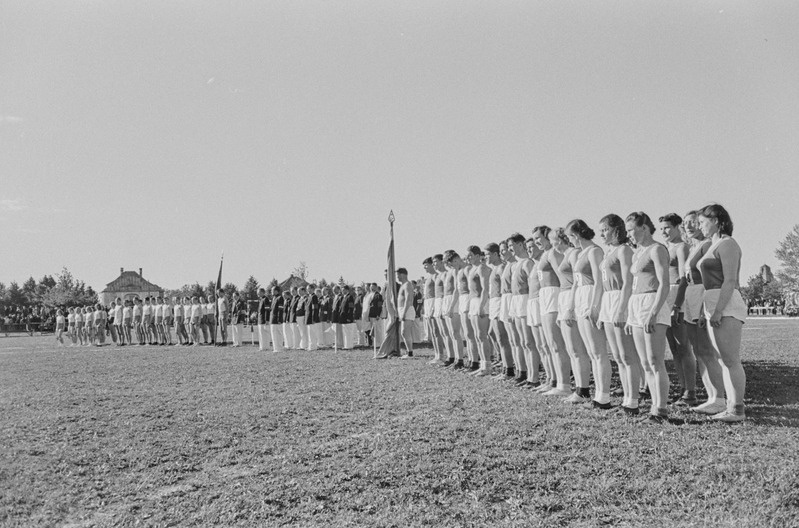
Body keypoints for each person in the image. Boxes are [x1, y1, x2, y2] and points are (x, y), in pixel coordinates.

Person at [696, 204, 747, 422]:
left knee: (730, 359)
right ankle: (730, 406)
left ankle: (737, 409)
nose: (700, 226)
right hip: (712, 301)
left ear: (716, 220)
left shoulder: (727, 244)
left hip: (725, 302)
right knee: (722, 359)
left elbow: (730, 281)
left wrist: (718, 310)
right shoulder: (712, 244)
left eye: (702, 222)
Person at [625, 212, 672, 424]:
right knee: (644, 362)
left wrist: (653, 312)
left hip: (652, 303)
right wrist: (629, 315)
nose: (629, 235)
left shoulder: (657, 249)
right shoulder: (637, 253)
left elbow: (664, 283)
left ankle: (660, 408)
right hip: (636, 304)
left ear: (644, 227)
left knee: (655, 361)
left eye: (631, 229)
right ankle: (653, 404)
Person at [683, 210, 727, 415]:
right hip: (690, 296)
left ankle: (719, 398)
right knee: (698, 350)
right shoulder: (694, 247)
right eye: (687, 224)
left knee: (707, 350)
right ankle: (711, 396)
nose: (690, 227)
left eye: (694, 222)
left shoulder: (708, 245)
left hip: (702, 294)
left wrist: (702, 307)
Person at [598, 214, 643, 415]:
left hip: (619, 299)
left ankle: (632, 401)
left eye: (605, 230)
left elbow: (627, 281)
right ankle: (626, 398)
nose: (602, 234)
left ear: (617, 229)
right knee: (617, 356)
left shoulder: (624, 250)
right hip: (608, 299)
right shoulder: (610, 251)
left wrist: (621, 307)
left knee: (627, 355)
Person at [567, 219, 612, 409]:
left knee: (599, 351)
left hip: (591, 296)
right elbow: (576, 282)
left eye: (570, 237)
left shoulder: (595, 251)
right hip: (581, 298)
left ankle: (603, 397)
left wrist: (595, 306)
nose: (570, 241)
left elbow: (599, 280)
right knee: (591, 352)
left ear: (576, 235)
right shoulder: (581, 253)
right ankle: (596, 393)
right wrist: (570, 306)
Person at [659, 213, 697, 405]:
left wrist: (677, 305)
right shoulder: (665, 248)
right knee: (673, 348)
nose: (664, 232)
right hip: (665, 296)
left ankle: (690, 390)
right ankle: (682, 388)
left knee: (684, 346)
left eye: (667, 227)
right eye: (661, 229)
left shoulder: (682, 247)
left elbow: (683, 278)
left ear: (677, 227)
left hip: (677, 296)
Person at [551, 227, 592, 403]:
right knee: (571, 348)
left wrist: (571, 306)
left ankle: (583, 389)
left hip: (572, 297)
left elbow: (577, 280)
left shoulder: (574, 253)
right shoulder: (567, 255)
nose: (552, 245)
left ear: (559, 240)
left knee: (577, 348)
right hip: (565, 296)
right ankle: (577, 388)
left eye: (553, 241)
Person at [533, 226, 573, 397]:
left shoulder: (552, 253)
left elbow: (562, 274)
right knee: (549, 344)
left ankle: (564, 384)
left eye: (539, 238)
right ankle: (554, 380)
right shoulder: (544, 254)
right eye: (534, 239)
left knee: (557, 344)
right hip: (544, 296)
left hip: (554, 294)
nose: (537, 242)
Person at [508, 233, 541, 388]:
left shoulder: (527, 263)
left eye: (512, 246)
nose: (510, 249)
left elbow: (534, 283)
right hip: (516, 300)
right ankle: (526, 373)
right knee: (522, 341)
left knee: (529, 341)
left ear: (520, 245)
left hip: (525, 299)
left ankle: (533, 377)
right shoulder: (516, 264)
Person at [485, 243, 513, 379]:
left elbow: (506, 286)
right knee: (492, 333)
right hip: (494, 302)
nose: (486, 257)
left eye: (488, 254)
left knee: (502, 337)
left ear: (495, 254)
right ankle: (503, 361)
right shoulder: (494, 268)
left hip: (500, 301)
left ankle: (508, 369)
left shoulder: (501, 267)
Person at [500, 241, 525, 384]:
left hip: (514, 297)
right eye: (503, 249)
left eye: (507, 249)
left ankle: (522, 370)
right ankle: (517, 369)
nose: (505, 251)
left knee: (518, 339)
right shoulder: (508, 265)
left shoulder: (516, 264)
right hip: (507, 299)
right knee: (513, 339)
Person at [467, 245, 493, 376]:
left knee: (482, 335)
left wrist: (482, 305)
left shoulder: (482, 268)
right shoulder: (472, 269)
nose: (469, 258)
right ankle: (482, 363)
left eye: (471, 255)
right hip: (473, 301)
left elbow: (485, 288)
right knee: (477, 335)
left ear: (477, 256)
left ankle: (487, 365)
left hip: (480, 301)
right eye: (468, 256)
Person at [442, 250, 465, 368]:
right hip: (448, 299)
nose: (450, 265)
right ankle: (455, 357)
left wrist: (451, 306)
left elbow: (456, 289)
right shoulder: (451, 271)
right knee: (451, 332)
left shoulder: (457, 271)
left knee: (455, 332)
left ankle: (459, 359)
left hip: (454, 300)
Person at [422, 257, 445, 364]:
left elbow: (438, 291)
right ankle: (437, 354)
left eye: (427, 265)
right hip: (427, 302)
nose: (425, 268)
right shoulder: (428, 277)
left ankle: (441, 354)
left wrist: (434, 307)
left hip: (433, 302)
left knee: (436, 331)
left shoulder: (436, 276)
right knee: (432, 331)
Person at [368, 283, 384, 355]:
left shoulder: (379, 296)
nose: (372, 289)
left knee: (378, 330)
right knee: (373, 330)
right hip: (371, 315)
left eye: (373, 287)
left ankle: (379, 343)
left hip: (376, 315)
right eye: (371, 287)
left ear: (376, 287)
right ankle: (375, 343)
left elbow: (380, 305)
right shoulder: (370, 295)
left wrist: (378, 314)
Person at [340, 285, 357, 350]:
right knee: (345, 332)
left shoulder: (350, 297)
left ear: (347, 290)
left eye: (343, 290)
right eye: (342, 290)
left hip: (347, 318)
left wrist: (349, 317)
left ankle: (349, 346)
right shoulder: (344, 297)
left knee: (348, 332)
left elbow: (351, 308)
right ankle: (346, 345)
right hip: (343, 318)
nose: (342, 291)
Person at [270, 287, 285, 352]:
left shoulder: (280, 298)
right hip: (273, 319)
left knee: (278, 334)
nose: (271, 292)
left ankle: (279, 348)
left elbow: (280, 310)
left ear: (276, 291)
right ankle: (275, 348)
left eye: (272, 290)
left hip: (277, 319)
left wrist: (279, 319)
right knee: (274, 334)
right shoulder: (274, 298)